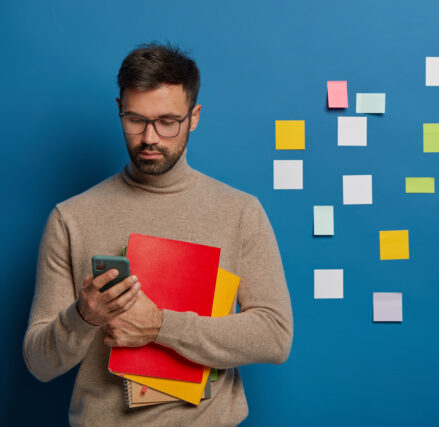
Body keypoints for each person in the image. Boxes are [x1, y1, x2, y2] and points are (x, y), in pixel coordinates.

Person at [22, 42, 293, 426]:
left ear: (194, 116)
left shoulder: (241, 212)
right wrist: (83, 316)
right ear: (119, 109)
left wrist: (161, 327)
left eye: (168, 121)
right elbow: (39, 363)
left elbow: (275, 336)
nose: (150, 137)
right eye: (135, 119)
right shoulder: (70, 218)